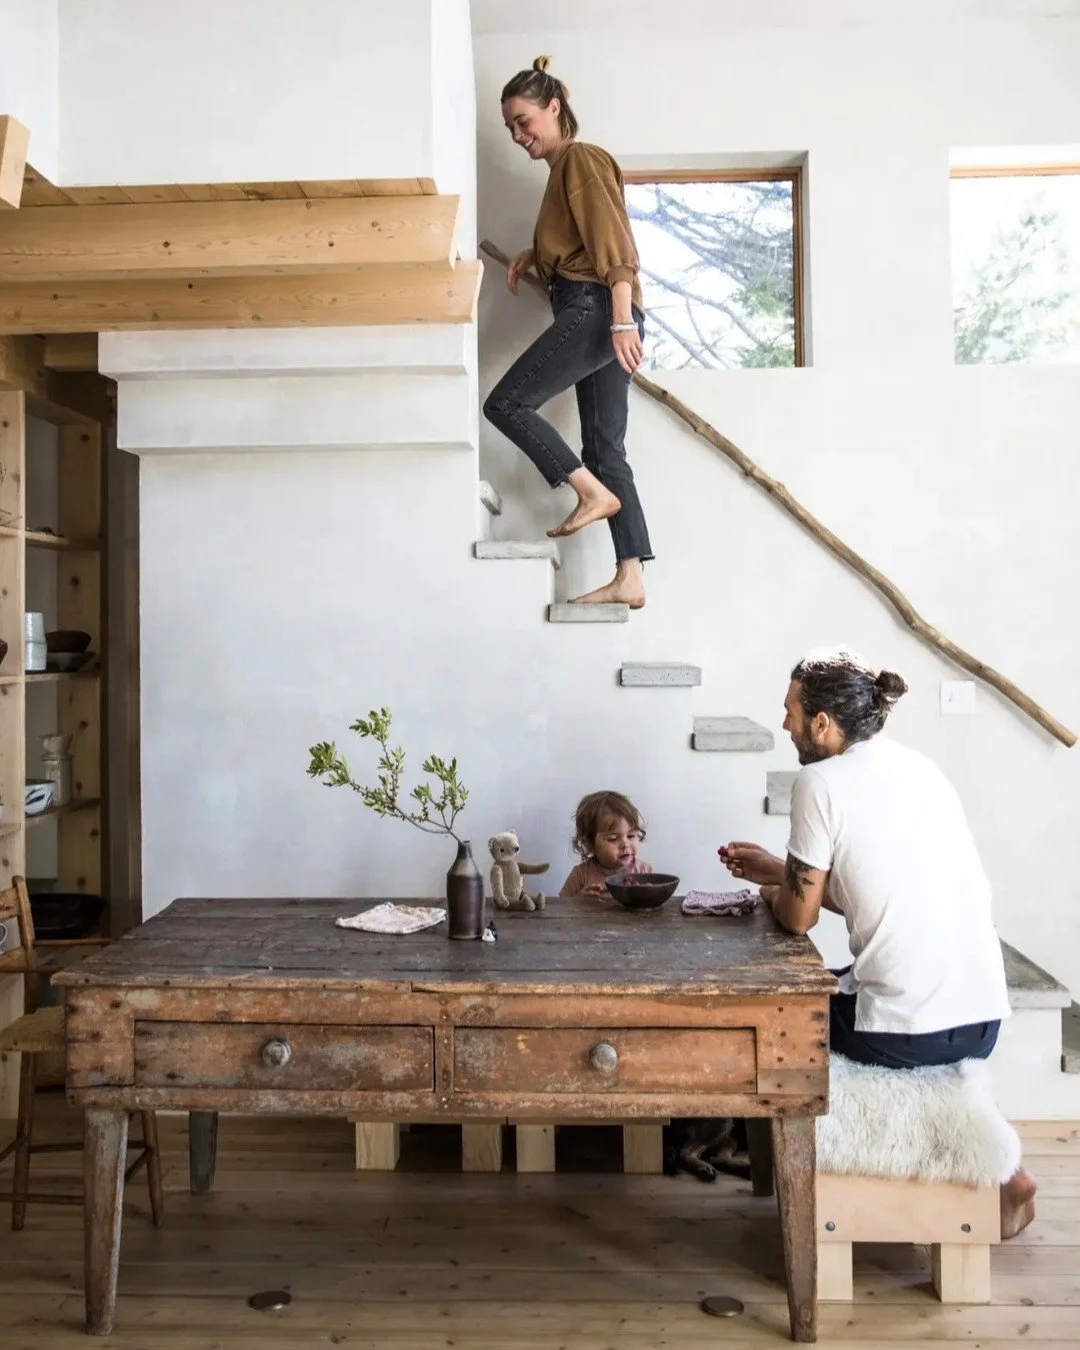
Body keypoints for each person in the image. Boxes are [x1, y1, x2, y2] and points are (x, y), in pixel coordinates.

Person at [719, 647, 1036, 1239]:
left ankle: (769, 1165)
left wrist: (774, 892)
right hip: (983, 1017)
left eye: (790, 711)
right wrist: (775, 870)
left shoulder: (818, 780)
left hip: (905, 1031)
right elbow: (879, 895)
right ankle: (1007, 1170)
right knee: (839, 981)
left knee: (769, 1019)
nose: (784, 723)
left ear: (821, 723)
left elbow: (797, 920)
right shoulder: (919, 768)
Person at [483, 56, 653, 609]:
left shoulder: (578, 158)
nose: (517, 134)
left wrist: (622, 317)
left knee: (507, 403)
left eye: (524, 120)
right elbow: (580, 239)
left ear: (554, 108)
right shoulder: (562, 175)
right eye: (510, 126)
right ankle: (630, 575)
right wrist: (538, 253)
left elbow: (613, 242)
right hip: (598, 307)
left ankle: (588, 494)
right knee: (604, 448)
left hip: (601, 307)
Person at [560, 790, 653, 896]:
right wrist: (579, 901)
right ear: (590, 843)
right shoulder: (580, 875)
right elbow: (563, 907)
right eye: (613, 839)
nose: (625, 844)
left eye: (631, 836)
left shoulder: (644, 871)